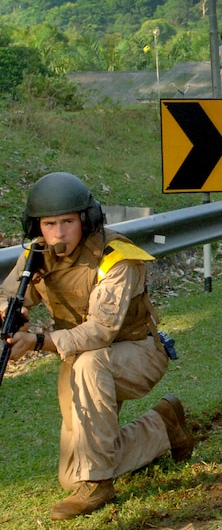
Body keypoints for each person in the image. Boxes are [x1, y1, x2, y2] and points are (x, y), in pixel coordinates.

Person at [0, 172, 194, 520]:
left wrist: (38, 342)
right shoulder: (37, 255)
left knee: (91, 363)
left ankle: (100, 483)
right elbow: (11, 293)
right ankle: (163, 426)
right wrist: (10, 315)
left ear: (86, 220)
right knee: (71, 477)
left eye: (67, 222)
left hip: (137, 353)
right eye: (49, 224)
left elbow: (101, 331)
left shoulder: (117, 257)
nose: (58, 233)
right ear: (37, 227)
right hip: (79, 358)